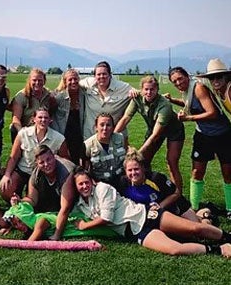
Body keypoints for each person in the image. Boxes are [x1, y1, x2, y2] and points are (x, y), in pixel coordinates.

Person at [73, 166, 231, 257]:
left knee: (194, 228)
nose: (85, 186)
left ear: (92, 181)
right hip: (135, 232)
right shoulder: (81, 205)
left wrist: (84, 226)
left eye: (86, 182)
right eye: (80, 185)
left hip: (147, 215)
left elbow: (106, 218)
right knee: (174, 249)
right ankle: (219, 249)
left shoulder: (102, 188)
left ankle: (226, 236)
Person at [167, 67, 231, 218]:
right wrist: (172, 100)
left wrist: (188, 119)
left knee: (228, 173)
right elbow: (190, 104)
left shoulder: (199, 88)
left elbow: (212, 112)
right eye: (174, 81)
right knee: (197, 171)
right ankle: (194, 207)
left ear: (187, 76)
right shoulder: (188, 90)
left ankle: (229, 208)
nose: (178, 83)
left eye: (180, 78)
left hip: (222, 134)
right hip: (203, 135)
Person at [114, 75, 185, 194]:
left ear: (157, 89)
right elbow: (126, 118)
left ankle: (177, 195)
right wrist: (113, 136)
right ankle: (144, 191)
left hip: (173, 130)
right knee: (144, 162)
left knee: (171, 162)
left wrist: (138, 153)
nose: (149, 92)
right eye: (146, 89)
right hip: (153, 128)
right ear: (141, 90)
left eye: (152, 89)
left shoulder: (165, 105)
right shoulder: (137, 98)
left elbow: (155, 135)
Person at [119, 147, 211, 224]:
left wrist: (160, 206)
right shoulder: (123, 183)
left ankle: (205, 216)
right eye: (130, 170)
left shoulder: (156, 178)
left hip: (175, 207)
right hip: (155, 215)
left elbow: (176, 193)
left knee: (197, 228)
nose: (133, 173)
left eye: (136, 169)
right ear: (125, 171)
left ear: (143, 168)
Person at [0, 107, 70, 202]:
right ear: (34, 119)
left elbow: (66, 159)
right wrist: (7, 175)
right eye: (40, 117)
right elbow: (13, 157)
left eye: (46, 118)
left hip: (44, 174)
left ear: (50, 120)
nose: (43, 120)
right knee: (6, 189)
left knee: (39, 202)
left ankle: (28, 200)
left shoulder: (59, 138)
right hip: (24, 170)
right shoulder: (23, 134)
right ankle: (18, 200)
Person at [3, 200, 118, 241]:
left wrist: (3, 243)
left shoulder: (40, 222)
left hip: (80, 223)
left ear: (26, 216)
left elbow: (29, 243)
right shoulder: (34, 220)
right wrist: (9, 227)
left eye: (19, 221)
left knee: (111, 229)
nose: (18, 226)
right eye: (14, 224)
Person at [79, 61, 134, 141]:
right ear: (94, 76)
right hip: (90, 138)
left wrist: (134, 92)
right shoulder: (88, 84)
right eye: (98, 74)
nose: (102, 76)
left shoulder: (122, 88)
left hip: (114, 138)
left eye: (104, 74)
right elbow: (72, 83)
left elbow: (141, 93)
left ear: (110, 75)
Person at [10, 68, 57, 143]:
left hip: (43, 130)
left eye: (40, 80)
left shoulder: (49, 96)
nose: (37, 83)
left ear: (44, 81)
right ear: (29, 81)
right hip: (26, 129)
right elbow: (16, 118)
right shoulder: (21, 96)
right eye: (34, 80)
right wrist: (23, 134)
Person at [81, 112, 126, 188]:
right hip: (101, 184)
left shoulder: (120, 138)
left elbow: (128, 158)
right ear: (96, 127)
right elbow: (84, 171)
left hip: (121, 180)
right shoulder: (87, 145)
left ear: (113, 127)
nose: (105, 128)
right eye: (102, 125)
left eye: (108, 125)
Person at [51, 69, 86, 165]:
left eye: (75, 79)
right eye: (70, 80)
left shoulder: (84, 95)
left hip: (80, 137)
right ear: (65, 82)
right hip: (64, 137)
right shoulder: (59, 98)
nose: (73, 82)